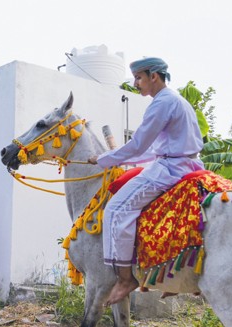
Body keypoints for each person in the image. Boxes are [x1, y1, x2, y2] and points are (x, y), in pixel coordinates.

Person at [87, 57, 204, 305]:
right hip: (185, 163)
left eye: (139, 77)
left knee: (116, 210)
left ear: (154, 76)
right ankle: (171, 275)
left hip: (170, 169)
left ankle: (125, 278)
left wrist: (103, 159)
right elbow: (152, 149)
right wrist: (116, 160)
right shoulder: (177, 101)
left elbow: (138, 144)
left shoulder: (161, 103)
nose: (135, 83)